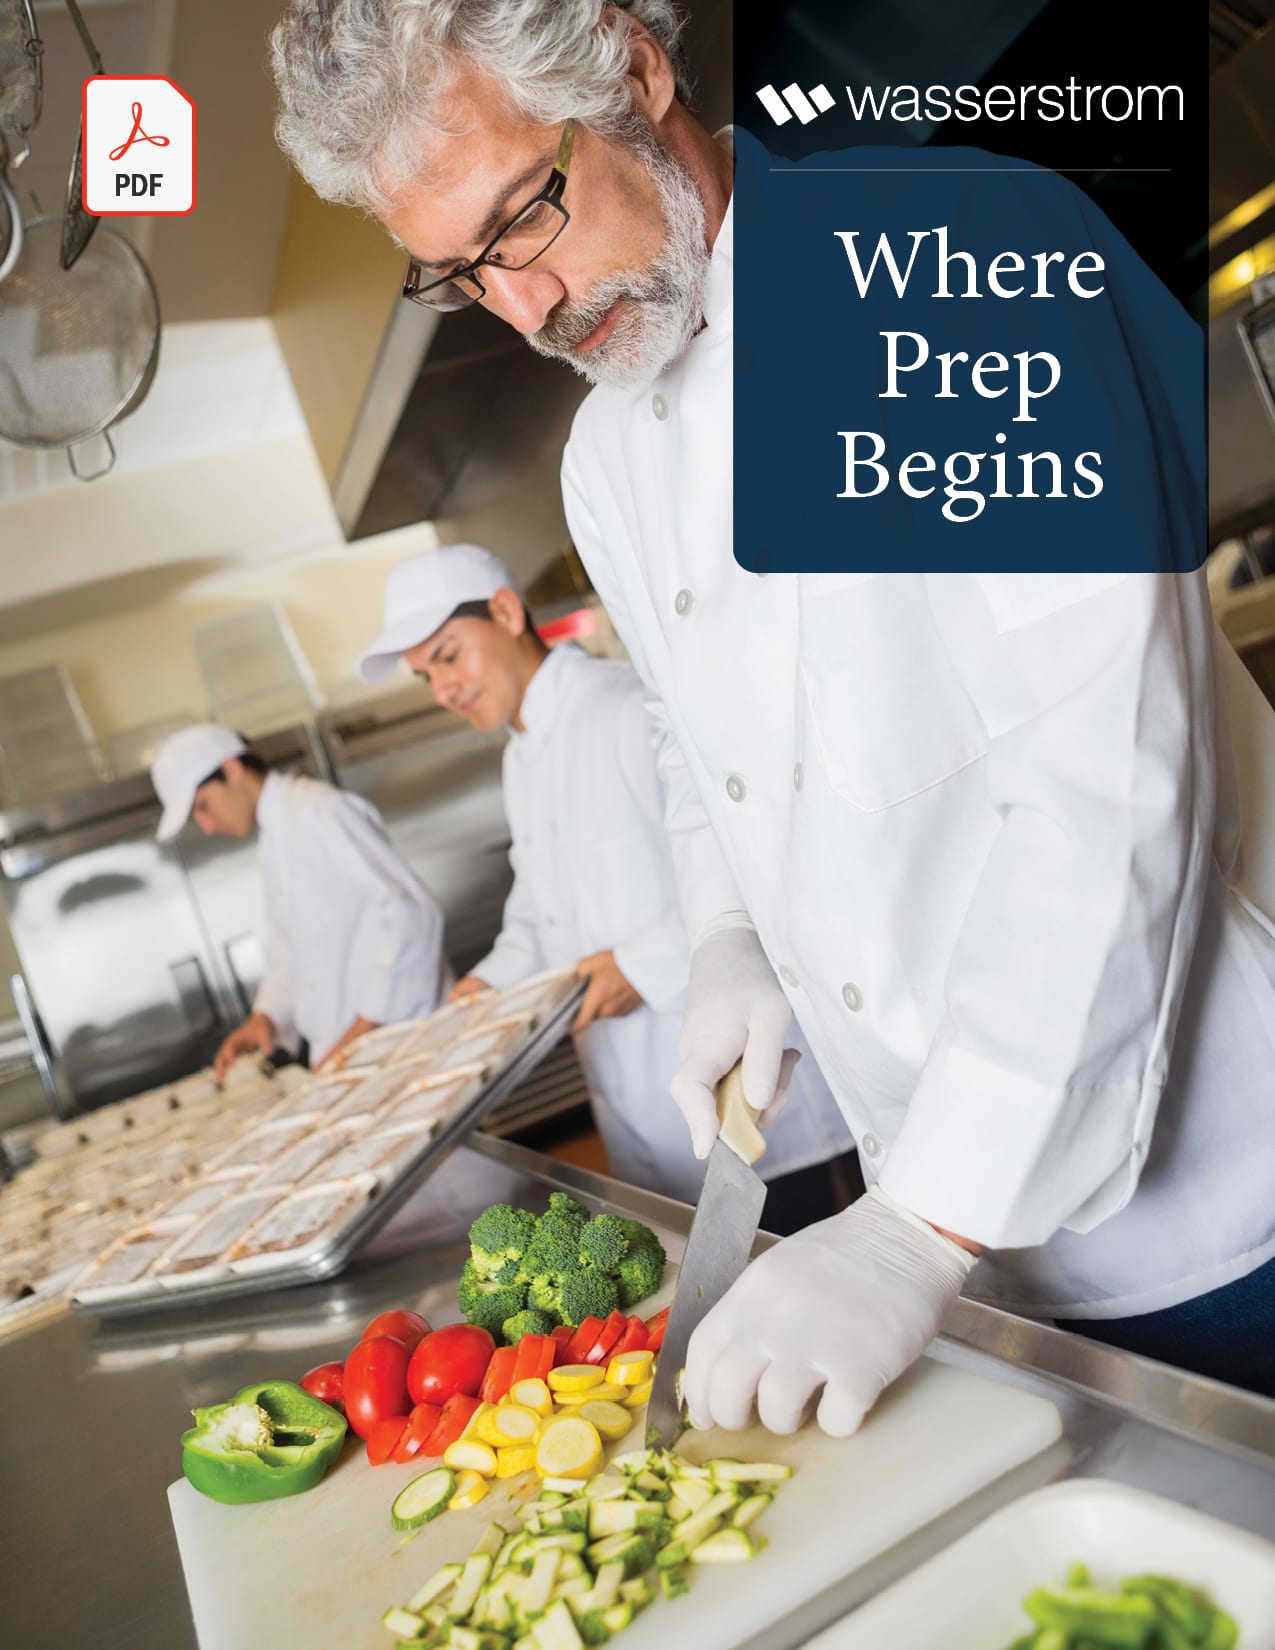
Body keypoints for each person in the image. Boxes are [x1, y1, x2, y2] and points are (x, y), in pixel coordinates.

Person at [269, 2, 1275, 1414]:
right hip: (971, 1261)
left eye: (525, 221)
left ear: (634, 68)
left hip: (1223, 1201)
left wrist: (920, 1219)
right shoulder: (606, 459)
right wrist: (729, 931)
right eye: (455, 275)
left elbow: (1108, 781)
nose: (525, 307)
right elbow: (695, 739)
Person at [357, 541, 858, 1218]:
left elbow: (751, 866)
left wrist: (636, 964)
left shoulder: (625, 708)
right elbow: (537, 917)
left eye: (447, 655)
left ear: (506, 612)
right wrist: (480, 995)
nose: (443, 689)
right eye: (424, 676)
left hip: (757, 1101)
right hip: (637, 1114)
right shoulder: (520, 760)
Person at [151, 723, 451, 1075]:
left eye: (203, 806)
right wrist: (267, 1017)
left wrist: (363, 1029)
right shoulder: (275, 840)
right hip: (354, 1060)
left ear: (232, 769)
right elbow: (292, 951)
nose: (207, 826)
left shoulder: (318, 812)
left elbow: (411, 914)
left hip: (402, 1046)